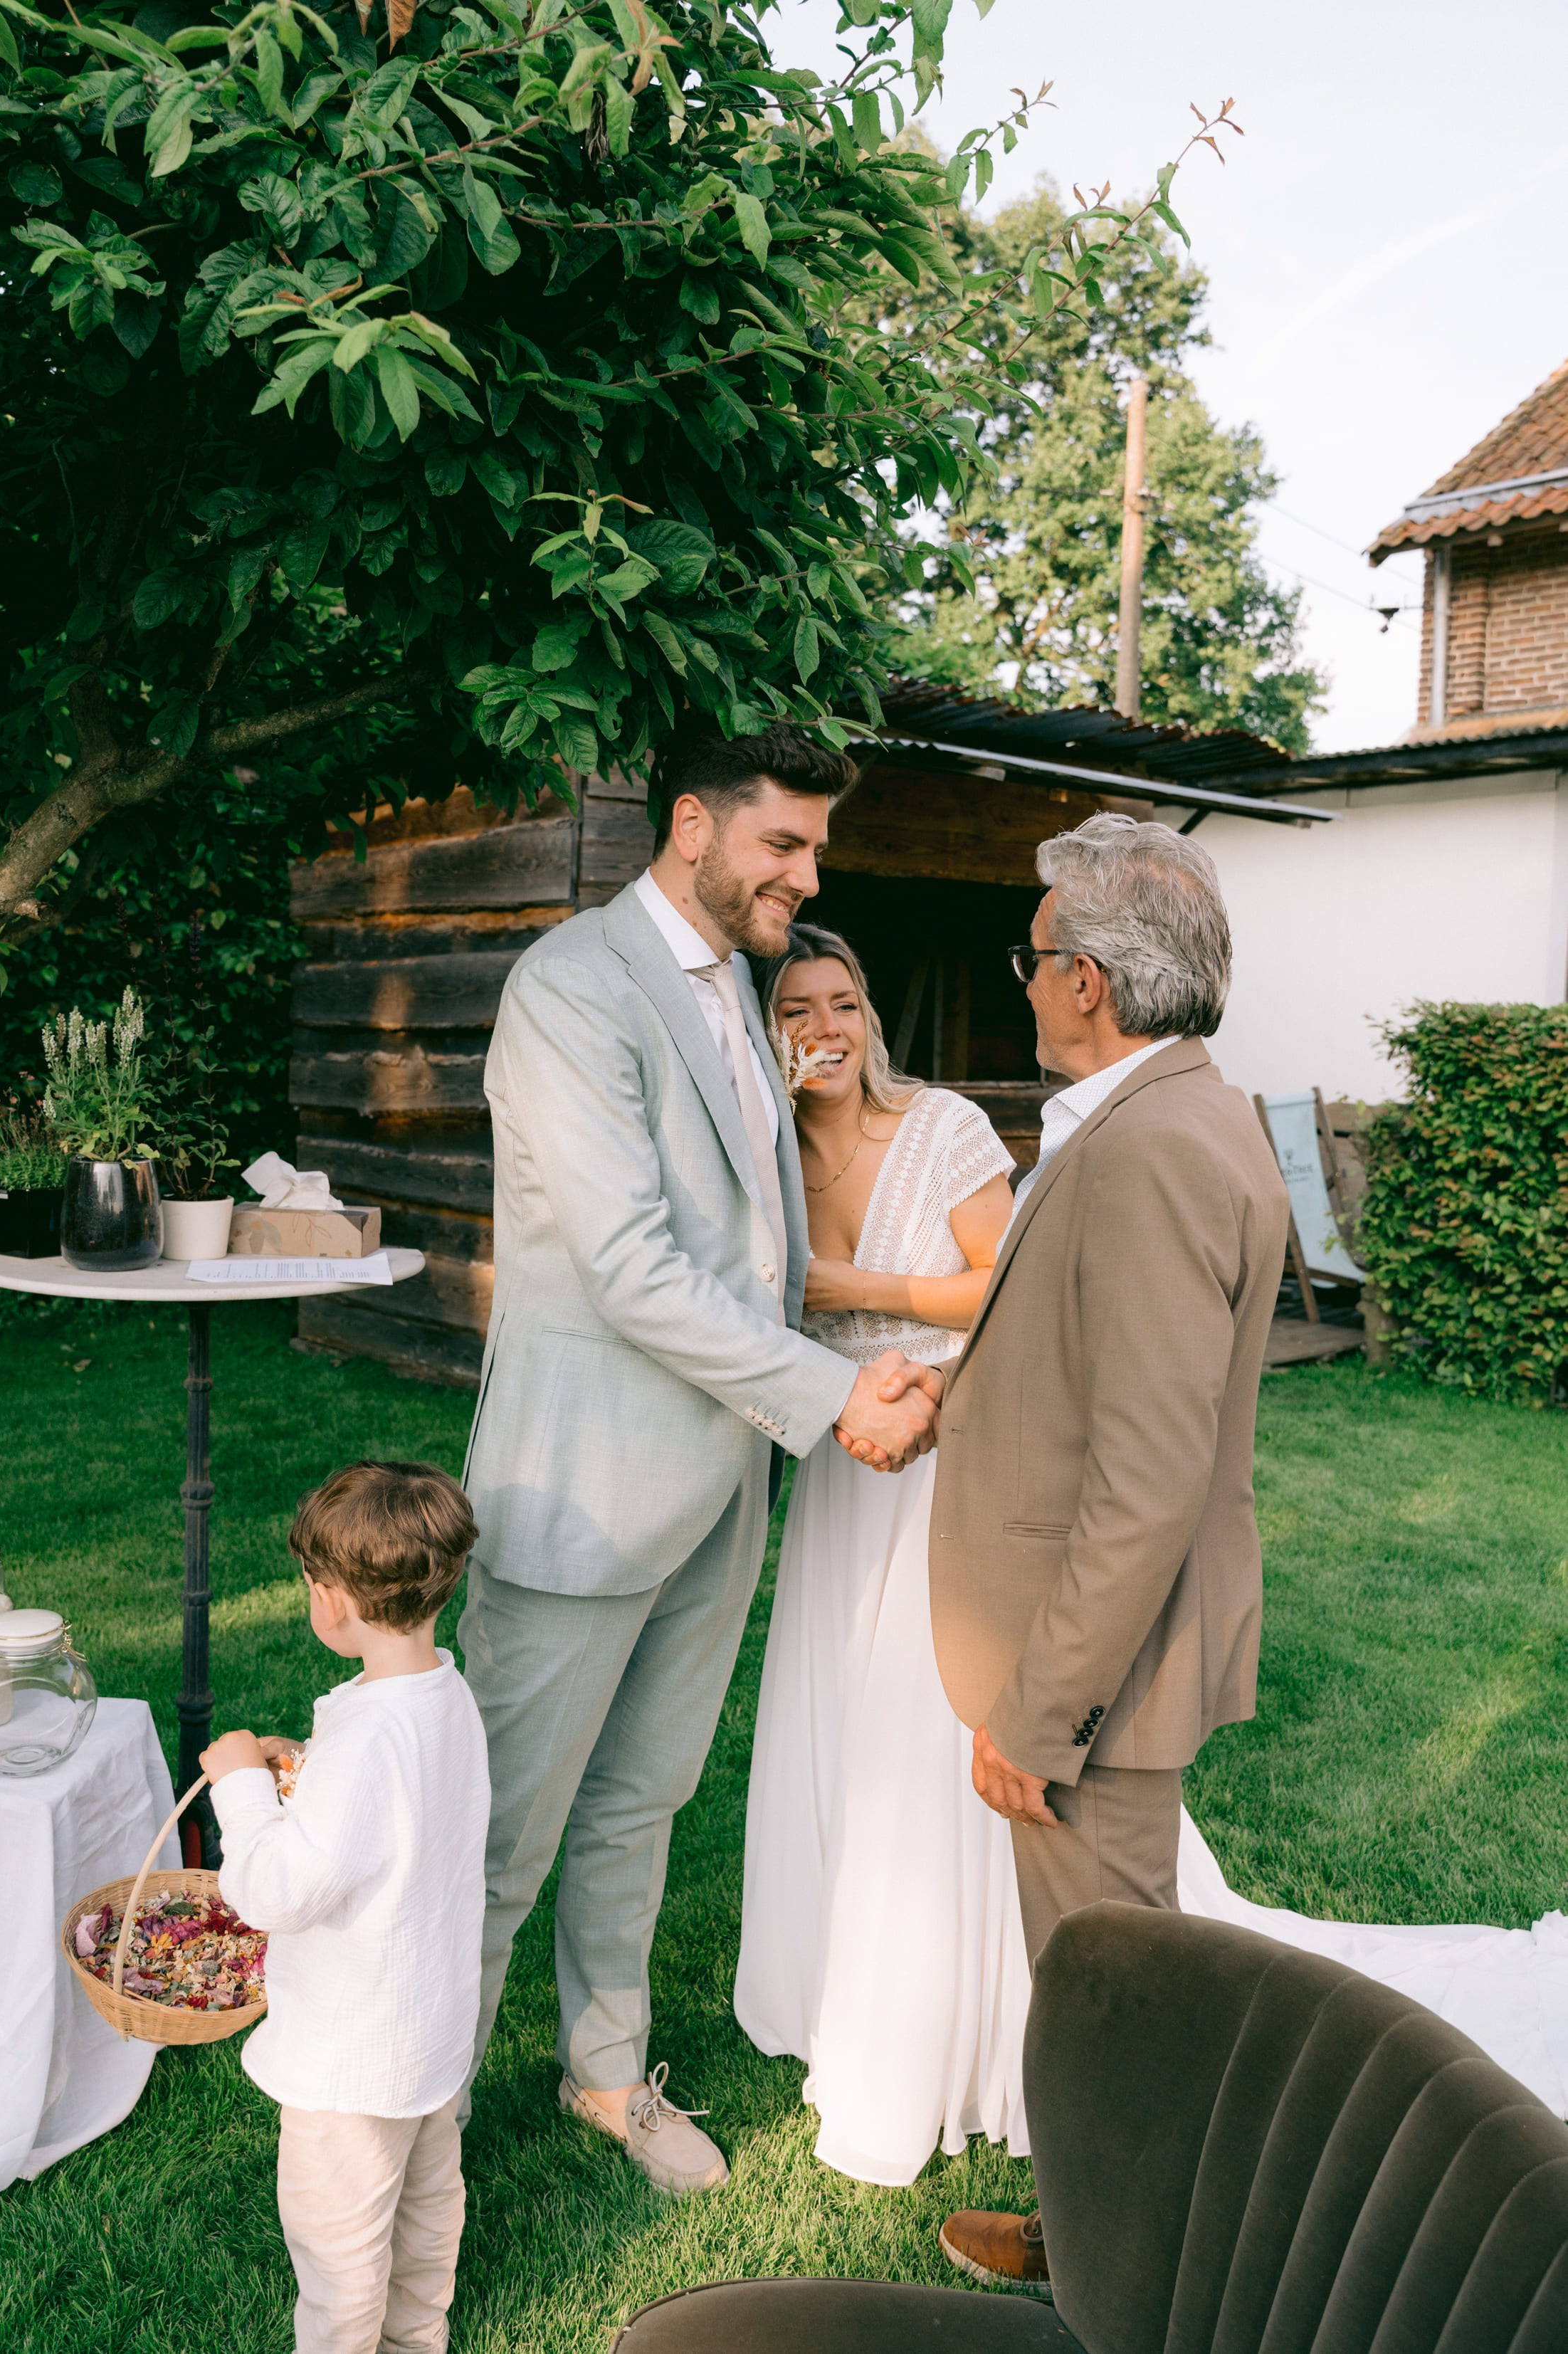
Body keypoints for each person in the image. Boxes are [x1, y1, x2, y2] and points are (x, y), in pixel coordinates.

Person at [459, 723, 943, 2198]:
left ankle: (605, 2074)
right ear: (691, 826)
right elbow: (627, 1265)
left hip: (722, 1485)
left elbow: (756, 1240)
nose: (809, 874)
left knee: (641, 1799)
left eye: (816, 847)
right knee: (498, 1833)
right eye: (783, 843)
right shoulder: (571, 987)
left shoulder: (738, 985)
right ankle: (416, 2122)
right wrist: (836, 1395)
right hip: (584, 1483)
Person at [932, 812, 1289, 2293]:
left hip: (1095, 1673)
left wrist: (1041, 1709)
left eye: (1030, 959)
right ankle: (1102, 2230)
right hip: (1106, 1652)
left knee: (1110, 1993)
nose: (1022, 982)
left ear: (1084, 979)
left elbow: (1146, 1478)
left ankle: (1126, 2278)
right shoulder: (1178, 1116)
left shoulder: (1150, 1150)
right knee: (1110, 1974)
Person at [734, 923, 1029, 2184]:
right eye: (797, 1009)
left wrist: (861, 1291)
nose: (828, 1030)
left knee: (922, 1725)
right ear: (766, 1033)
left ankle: (942, 2014)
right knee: (835, 1716)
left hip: (945, 1449)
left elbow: (1007, 1278)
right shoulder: (756, 1160)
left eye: (845, 1003)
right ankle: (826, 1981)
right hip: (837, 1462)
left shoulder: (944, 1125)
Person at [200, 1460, 488, 2354]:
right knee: (427, 2211)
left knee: (341, 2250)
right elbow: (394, 1824)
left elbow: (277, 1891)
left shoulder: (366, 1739)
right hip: (428, 2035)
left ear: (330, 1601)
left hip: (352, 2058)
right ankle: (416, 2340)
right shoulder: (446, 1692)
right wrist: (307, 1768)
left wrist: (240, 1786)